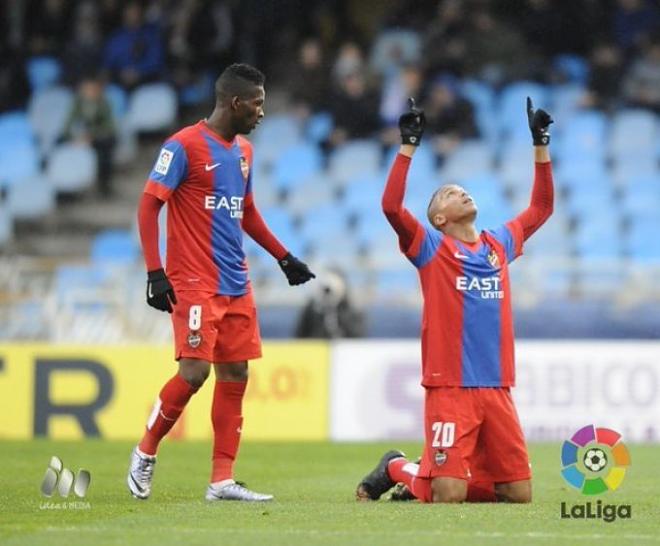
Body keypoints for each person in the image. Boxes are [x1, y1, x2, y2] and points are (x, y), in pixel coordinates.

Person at [127, 63, 315, 502]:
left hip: (236, 281)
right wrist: (154, 271)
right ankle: (145, 452)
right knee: (194, 372)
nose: (262, 112)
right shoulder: (183, 146)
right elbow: (147, 206)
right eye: (258, 103)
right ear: (235, 103)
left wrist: (283, 257)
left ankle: (221, 481)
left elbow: (246, 212)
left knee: (236, 372)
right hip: (193, 280)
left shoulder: (244, 152)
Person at [356, 96, 554, 503]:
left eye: (462, 190)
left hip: (497, 386)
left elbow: (541, 207)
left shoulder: (499, 244)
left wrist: (541, 142)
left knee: (517, 496)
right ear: (439, 220)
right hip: (450, 388)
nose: (460, 194)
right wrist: (407, 146)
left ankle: (418, 473)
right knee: (449, 497)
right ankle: (398, 467)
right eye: (449, 193)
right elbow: (391, 207)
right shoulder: (431, 249)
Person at [64, 76, 116, 196]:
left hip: (99, 138)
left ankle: (103, 185)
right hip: (80, 137)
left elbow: (109, 127)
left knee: (105, 149)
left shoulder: (104, 104)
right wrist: (74, 137)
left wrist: (91, 136)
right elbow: (68, 125)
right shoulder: (77, 103)